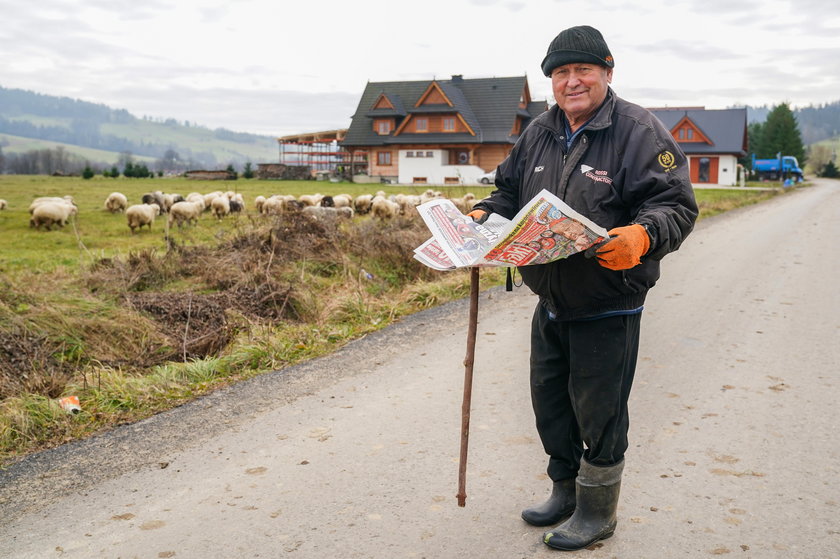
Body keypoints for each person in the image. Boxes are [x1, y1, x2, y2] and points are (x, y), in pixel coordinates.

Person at [467, 25, 698, 551]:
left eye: (583, 71)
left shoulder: (640, 131)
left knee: (600, 410)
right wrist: (484, 215)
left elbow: (676, 206)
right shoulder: (538, 132)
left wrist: (644, 235)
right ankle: (564, 490)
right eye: (561, 73)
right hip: (549, 298)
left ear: (607, 73)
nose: (572, 82)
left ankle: (598, 511)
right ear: (551, 80)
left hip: (608, 302)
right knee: (550, 402)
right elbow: (507, 189)